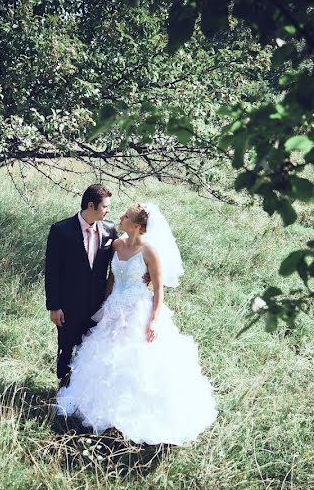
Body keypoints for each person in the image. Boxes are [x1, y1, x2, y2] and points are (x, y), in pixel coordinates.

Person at [55, 202, 217, 445]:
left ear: (138, 226)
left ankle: (133, 414)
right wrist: (102, 305)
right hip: (113, 308)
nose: (120, 217)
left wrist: (153, 319)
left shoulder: (149, 251)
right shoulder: (117, 244)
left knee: (135, 358)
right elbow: (111, 278)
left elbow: (159, 289)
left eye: (126, 216)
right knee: (105, 354)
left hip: (137, 308)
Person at [44, 184, 118, 389]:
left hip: (98, 304)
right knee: (66, 348)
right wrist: (54, 306)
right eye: (105, 207)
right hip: (68, 304)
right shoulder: (61, 230)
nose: (108, 210)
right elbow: (52, 271)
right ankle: (63, 390)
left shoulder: (110, 230)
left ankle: (86, 391)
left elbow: (121, 260)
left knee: (93, 349)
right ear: (91, 205)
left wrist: (143, 272)